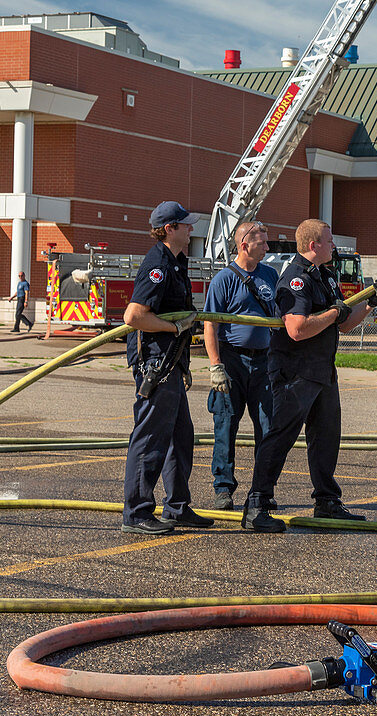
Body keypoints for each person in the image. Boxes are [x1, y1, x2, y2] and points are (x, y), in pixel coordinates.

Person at [241, 218, 377, 532]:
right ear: (314, 245)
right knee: (280, 437)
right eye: (329, 241)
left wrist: (370, 303)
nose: (334, 246)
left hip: (321, 370)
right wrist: (335, 312)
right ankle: (257, 505)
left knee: (326, 438)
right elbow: (296, 329)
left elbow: (342, 324)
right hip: (295, 372)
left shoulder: (324, 275)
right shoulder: (296, 278)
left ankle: (327, 502)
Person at [121, 201, 214, 535]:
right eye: (185, 225)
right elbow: (134, 316)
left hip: (170, 362)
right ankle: (136, 512)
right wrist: (175, 328)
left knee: (180, 436)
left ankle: (177, 506)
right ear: (170, 229)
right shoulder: (158, 265)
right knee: (150, 438)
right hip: (155, 364)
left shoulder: (176, 262)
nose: (191, 230)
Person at [203, 220, 278, 510]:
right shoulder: (224, 279)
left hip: (264, 362)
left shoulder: (270, 275)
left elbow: (281, 317)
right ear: (244, 244)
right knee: (225, 425)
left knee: (268, 428)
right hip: (232, 360)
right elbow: (210, 325)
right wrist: (215, 365)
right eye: (262, 242)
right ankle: (223, 489)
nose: (267, 247)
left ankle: (262, 491)